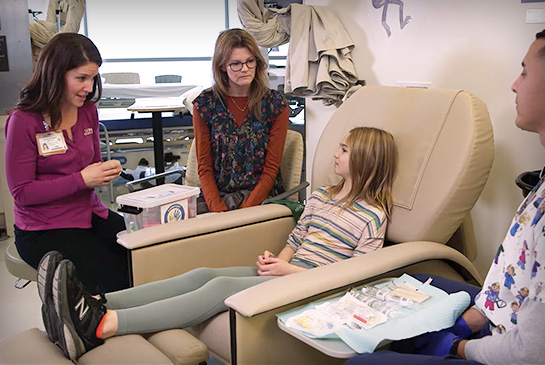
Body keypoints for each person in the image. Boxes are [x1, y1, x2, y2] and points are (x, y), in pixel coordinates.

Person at [38, 126, 398, 361]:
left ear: (366, 161)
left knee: (221, 287)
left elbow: (356, 277)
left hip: (313, 287)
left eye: (345, 150)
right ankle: (96, 302)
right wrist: (280, 259)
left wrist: (289, 270)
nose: (335, 154)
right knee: (202, 274)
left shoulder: (372, 216)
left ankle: (102, 326)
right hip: (288, 272)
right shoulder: (322, 196)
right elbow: (298, 237)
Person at [345, 30, 545, 365]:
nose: (514, 84)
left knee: (358, 364)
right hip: (505, 312)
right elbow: (516, 275)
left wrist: (456, 347)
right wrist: (467, 321)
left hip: (515, 350)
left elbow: (530, 352)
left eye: (524, 71)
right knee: (402, 297)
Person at [4, 32, 129, 295]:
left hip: (90, 214)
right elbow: (22, 192)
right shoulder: (24, 120)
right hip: (44, 228)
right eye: (81, 78)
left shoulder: (87, 112)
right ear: (55, 74)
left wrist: (103, 171)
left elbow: (91, 166)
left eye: (93, 78)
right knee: (115, 280)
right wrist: (82, 179)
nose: (89, 87)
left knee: (143, 256)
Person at [192, 28, 290, 213]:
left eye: (250, 61)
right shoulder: (205, 105)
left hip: (261, 196)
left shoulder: (275, 105)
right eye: (235, 64)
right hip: (217, 197)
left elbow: (271, 169)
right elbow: (204, 168)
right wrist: (218, 209)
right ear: (222, 66)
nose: (245, 69)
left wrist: (246, 210)